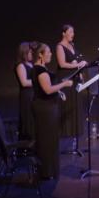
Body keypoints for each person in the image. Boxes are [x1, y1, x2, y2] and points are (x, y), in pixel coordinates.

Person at [31, 43, 73, 179]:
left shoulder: (42, 68)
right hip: (45, 109)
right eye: (48, 52)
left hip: (47, 106)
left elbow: (49, 88)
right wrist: (64, 84)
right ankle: (46, 171)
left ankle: (50, 170)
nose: (51, 54)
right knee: (46, 140)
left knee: (51, 139)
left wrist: (59, 92)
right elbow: (47, 89)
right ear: (40, 55)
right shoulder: (40, 71)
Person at [56, 24, 88, 141]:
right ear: (64, 33)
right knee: (67, 104)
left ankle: (75, 129)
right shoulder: (60, 46)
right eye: (70, 32)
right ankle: (66, 130)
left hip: (74, 78)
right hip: (66, 78)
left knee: (76, 102)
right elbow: (62, 64)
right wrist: (77, 65)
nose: (72, 34)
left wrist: (80, 68)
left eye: (73, 32)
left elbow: (76, 60)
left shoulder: (72, 45)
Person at [15, 41, 36, 140]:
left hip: (32, 94)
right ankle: (25, 144)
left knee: (32, 119)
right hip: (26, 96)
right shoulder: (20, 66)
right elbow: (24, 82)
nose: (32, 54)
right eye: (30, 52)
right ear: (24, 53)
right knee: (27, 119)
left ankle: (32, 142)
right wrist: (38, 81)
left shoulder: (30, 64)